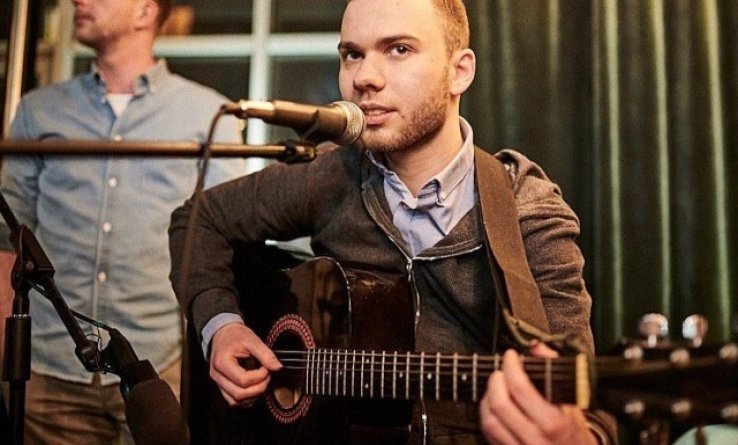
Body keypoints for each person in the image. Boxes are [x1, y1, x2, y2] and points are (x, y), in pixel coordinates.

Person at [168, 0, 617, 443]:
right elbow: (198, 219)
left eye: (399, 49)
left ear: (459, 71)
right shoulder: (332, 173)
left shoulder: (527, 212)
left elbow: (589, 413)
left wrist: (576, 437)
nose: (364, 77)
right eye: (352, 54)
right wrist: (221, 327)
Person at [0, 0, 245, 443]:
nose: (79, 1)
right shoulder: (39, 110)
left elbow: (222, 243)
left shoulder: (209, 116)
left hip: (158, 371)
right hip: (50, 373)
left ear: (145, 12)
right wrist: (4, 352)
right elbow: (7, 239)